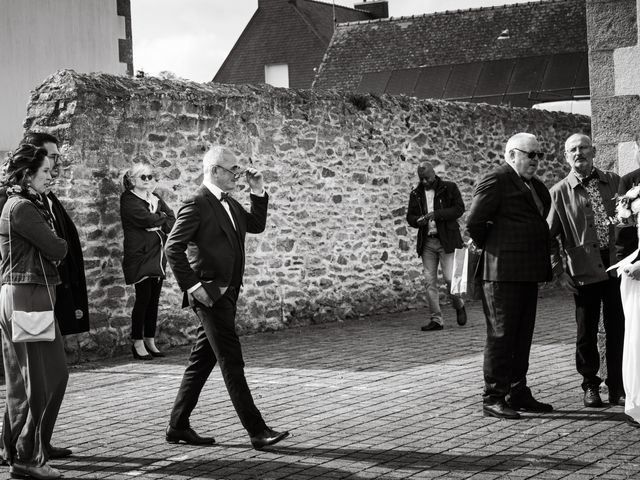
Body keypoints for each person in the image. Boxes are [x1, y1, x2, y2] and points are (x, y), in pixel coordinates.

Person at [165, 146, 289, 449]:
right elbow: (172, 248)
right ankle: (257, 430)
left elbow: (255, 225)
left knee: (201, 361)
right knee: (231, 360)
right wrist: (195, 289)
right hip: (209, 296)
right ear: (215, 171)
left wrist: (258, 192)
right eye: (233, 169)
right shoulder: (196, 203)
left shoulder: (230, 203)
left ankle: (178, 425)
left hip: (229, 293)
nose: (238, 174)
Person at [467, 132, 554, 419]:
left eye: (538, 155)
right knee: (501, 335)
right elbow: (474, 221)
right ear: (512, 154)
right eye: (530, 154)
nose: (535, 160)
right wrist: (495, 247)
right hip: (501, 272)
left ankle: (517, 391)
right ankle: (492, 397)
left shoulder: (536, 186)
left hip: (527, 272)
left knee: (522, 335)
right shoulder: (497, 179)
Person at [0, 144, 69, 479]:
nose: (50, 175)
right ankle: (27, 457)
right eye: (45, 171)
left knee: (27, 380)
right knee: (45, 378)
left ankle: (17, 449)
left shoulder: (22, 204)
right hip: (28, 296)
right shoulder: (23, 208)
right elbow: (58, 246)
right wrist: (57, 242)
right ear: (27, 175)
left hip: (24, 294)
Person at [547, 133, 625, 408]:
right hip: (583, 269)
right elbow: (549, 238)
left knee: (618, 328)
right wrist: (559, 271)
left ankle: (618, 385)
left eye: (583, 148)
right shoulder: (558, 193)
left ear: (593, 151)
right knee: (586, 331)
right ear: (566, 157)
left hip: (617, 266)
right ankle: (590, 385)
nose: (578, 153)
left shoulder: (614, 181)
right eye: (572, 150)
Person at [120, 164, 175, 360]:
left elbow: (172, 220)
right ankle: (137, 341)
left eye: (150, 177)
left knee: (154, 300)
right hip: (140, 255)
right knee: (143, 298)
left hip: (157, 254)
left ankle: (150, 339)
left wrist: (158, 219)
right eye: (143, 177)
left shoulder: (155, 199)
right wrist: (159, 218)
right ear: (133, 180)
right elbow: (146, 220)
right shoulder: (128, 199)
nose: (148, 180)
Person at [406, 161, 467, 331]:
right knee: (429, 282)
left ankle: (459, 305)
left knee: (449, 279)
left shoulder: (449, 188)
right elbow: (410, 216)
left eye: (427, 178)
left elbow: (459, 209)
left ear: (434, 173)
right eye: (421, 179)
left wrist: (437, 214)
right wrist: (416, 221)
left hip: (446, 239)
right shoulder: (416, 193)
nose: (424, 182)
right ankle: (436, 320)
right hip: (427, 241)